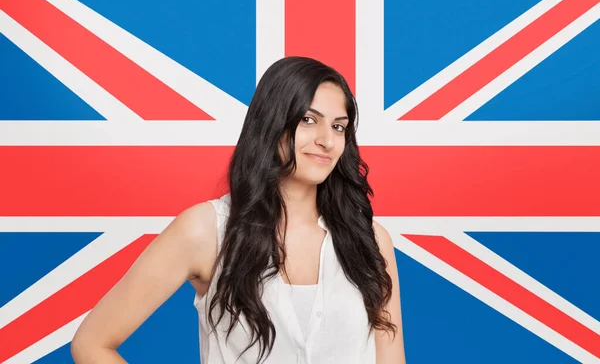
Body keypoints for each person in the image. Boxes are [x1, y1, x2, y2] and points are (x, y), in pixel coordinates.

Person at [71, 56, 406, 363]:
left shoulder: (371, 242)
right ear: (272, 122)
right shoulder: (206, 230)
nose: (327, 140)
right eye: (308, 119)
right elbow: (92, 343)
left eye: (338, 126)